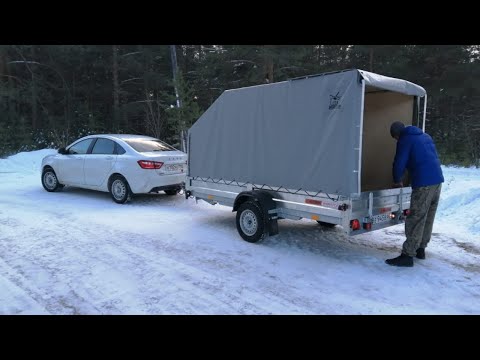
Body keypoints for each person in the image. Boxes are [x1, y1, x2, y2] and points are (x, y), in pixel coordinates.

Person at [385, 121, 444, 267]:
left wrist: (397, 180)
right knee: (427, 216)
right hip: (437, 181)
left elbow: (399, 162)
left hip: (423, 183)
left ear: (397, 134)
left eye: (395, 139)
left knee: (416, 217)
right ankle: (420, 249)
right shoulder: (425, 136)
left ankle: (407, 255)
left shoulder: (405, 139)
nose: (397, 141)